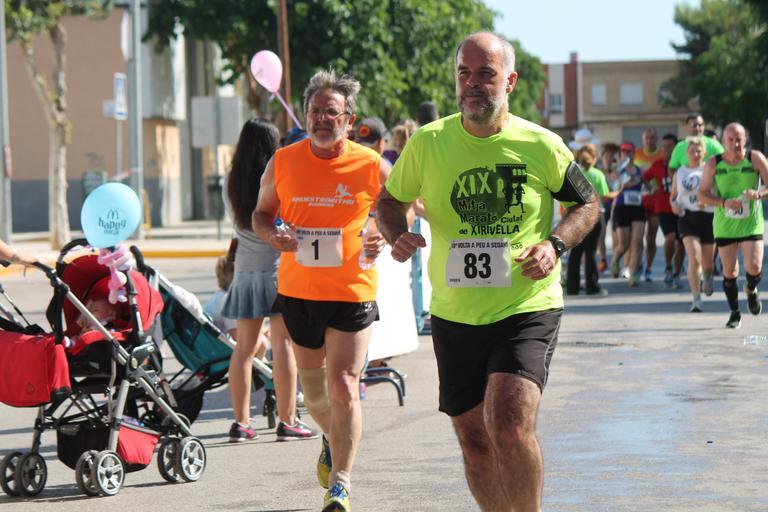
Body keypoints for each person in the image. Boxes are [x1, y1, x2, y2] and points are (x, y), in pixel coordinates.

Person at [376, 32, 599, 512]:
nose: (472, 83)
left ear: (510, 81)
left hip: (526, 305)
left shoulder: (542, 144)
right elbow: (389, 200)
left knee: (509, 422)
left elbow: (587, 203)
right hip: (455, 312)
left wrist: (555, 244)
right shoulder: (428, 142)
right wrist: (397, 234)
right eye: (464, 73)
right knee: (474, 439)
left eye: (485, 74)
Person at [252, 69, 390, 512]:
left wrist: (381, 232)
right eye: (315, 111)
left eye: (332, 112)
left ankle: (341, 484)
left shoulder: (371, 164)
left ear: (349, 120)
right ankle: (331, 437)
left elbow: (399, 209)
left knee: (344, 382)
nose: (322, 119)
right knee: (314, 395)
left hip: (352, 290)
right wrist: (273, 234)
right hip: (300, 292)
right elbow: (261, 213)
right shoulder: (283, 161)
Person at [222, 118, 318, 443]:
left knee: (244, 350)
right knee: (283, 346)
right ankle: (287, 420)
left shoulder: (230, 181)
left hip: (245, 272)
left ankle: (240, 422)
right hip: (278, 270)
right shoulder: (280, 174)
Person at [698, 122, 768, 328]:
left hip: (751, 223)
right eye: (730, 140)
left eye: (739, 140)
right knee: (730, 271)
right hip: (725, 225)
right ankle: (735, 312)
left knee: (754, 266)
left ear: (745, 140)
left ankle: (751, 288)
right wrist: (723, 202)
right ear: (723, 141)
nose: (735, 144)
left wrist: (758, 194)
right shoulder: (714, 164)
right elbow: (702, 194)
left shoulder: (755, 158)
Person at [670, 137, 715, 312]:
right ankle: (696, 298)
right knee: (694, 257)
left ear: (704, 153)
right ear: (686, 153)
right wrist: (673, 205)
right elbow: (674, 195)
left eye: (699, 151)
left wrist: (708, 200)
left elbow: (718, 192)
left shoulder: (710, 170)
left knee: (707, 263)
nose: (695, 154)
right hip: (687, 217)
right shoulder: (680, 173)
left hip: (709, 218)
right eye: (692, 151)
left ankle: (708, 275)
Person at [565, 143, 610, 295]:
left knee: (576, 253)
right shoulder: (597, 174)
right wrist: (618, 191)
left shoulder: (573, 173)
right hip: (594, 215)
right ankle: (592, 286)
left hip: (576, 215)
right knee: (590, 253)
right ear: (594, 157)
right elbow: (604, 195)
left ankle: (572, 286)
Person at [643, 133, 685, 288]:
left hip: (682, 206)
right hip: (663, 206)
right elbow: (644, 177)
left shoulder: (684, 165)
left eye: (670, 146)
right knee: (670, 237)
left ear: (677, 147)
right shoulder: (658, 164)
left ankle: (677, 272)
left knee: (681, 242)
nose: (667, 149)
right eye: (664, 146)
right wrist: (651, 188)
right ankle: (668, 266)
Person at [611, 142, 646, 286]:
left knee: (637, 242)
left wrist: (649, 187)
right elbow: (615, 185)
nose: (626, 153)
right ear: (620, 154)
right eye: (623, 151)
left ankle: (633, 274)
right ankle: (615, 259)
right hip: (622, 207)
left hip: (637, 207)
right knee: (624, 244)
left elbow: (645, 183)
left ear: (633, 153)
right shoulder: (617, 170)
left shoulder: (639, 170)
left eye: (629, 151)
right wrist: (627, 181)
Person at [634, 128, 664, 281]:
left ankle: (649, 268)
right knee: (637, 237)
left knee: (651, 237)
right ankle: (637, 263)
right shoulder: (637, 153)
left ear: (656, 139)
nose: (649, 140)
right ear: (643, 139)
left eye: (652, 137)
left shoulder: (662, 154)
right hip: (638, 199)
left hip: (656, 200)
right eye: (647, 137)